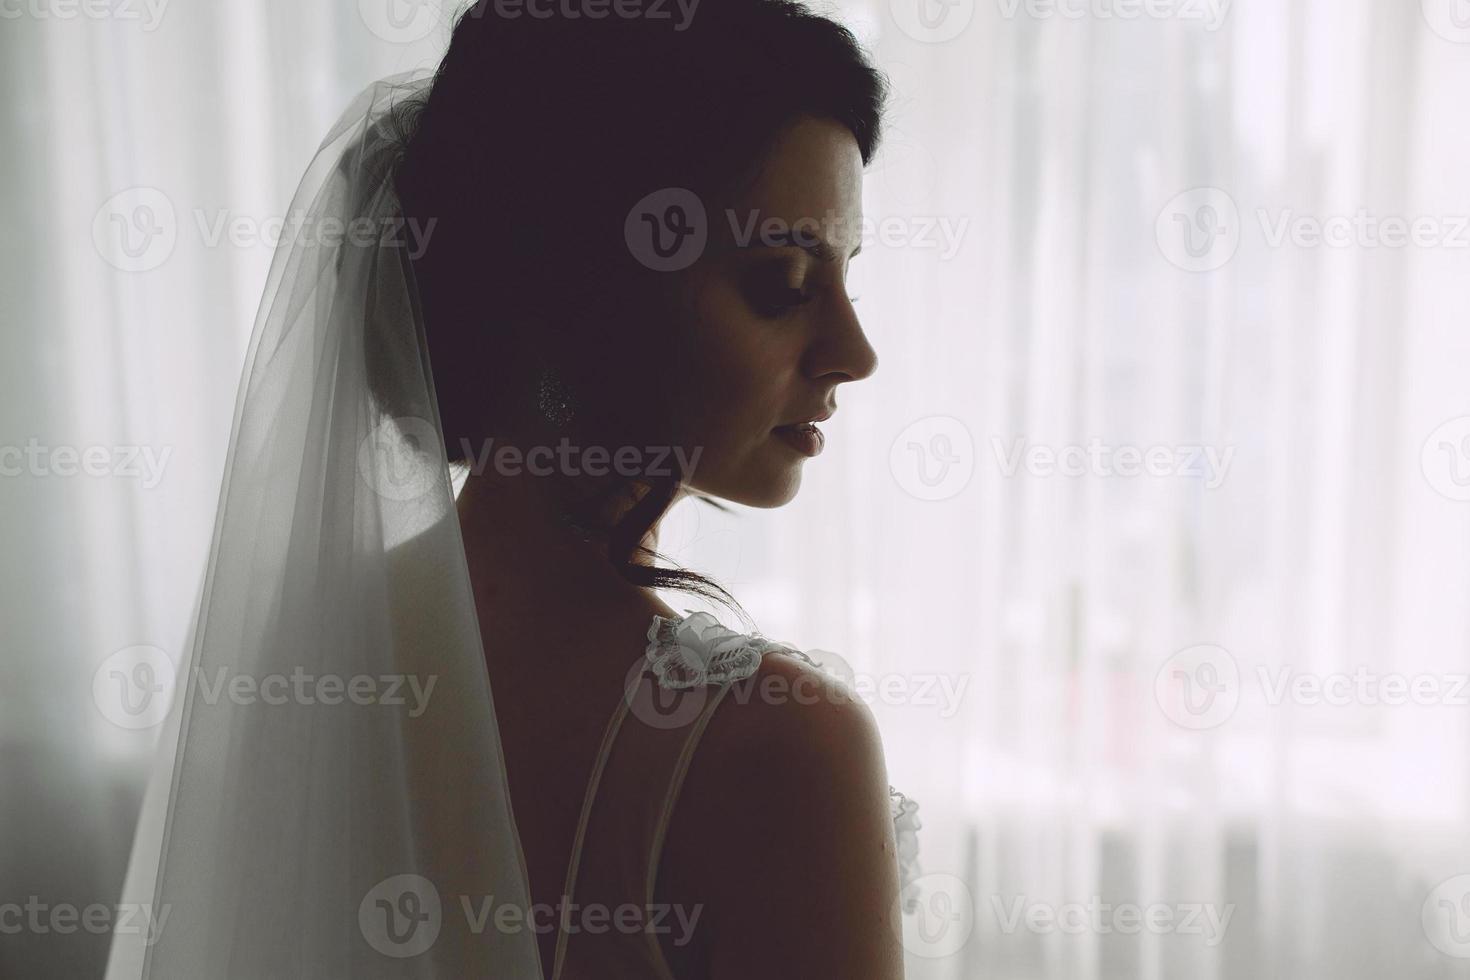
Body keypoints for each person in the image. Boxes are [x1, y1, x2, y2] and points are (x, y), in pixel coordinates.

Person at [107, 2, 919, 977]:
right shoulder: (775, 744)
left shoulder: (307, 648)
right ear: (591, 298)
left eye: (848, 278)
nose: (856, 353)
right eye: (782, 282)